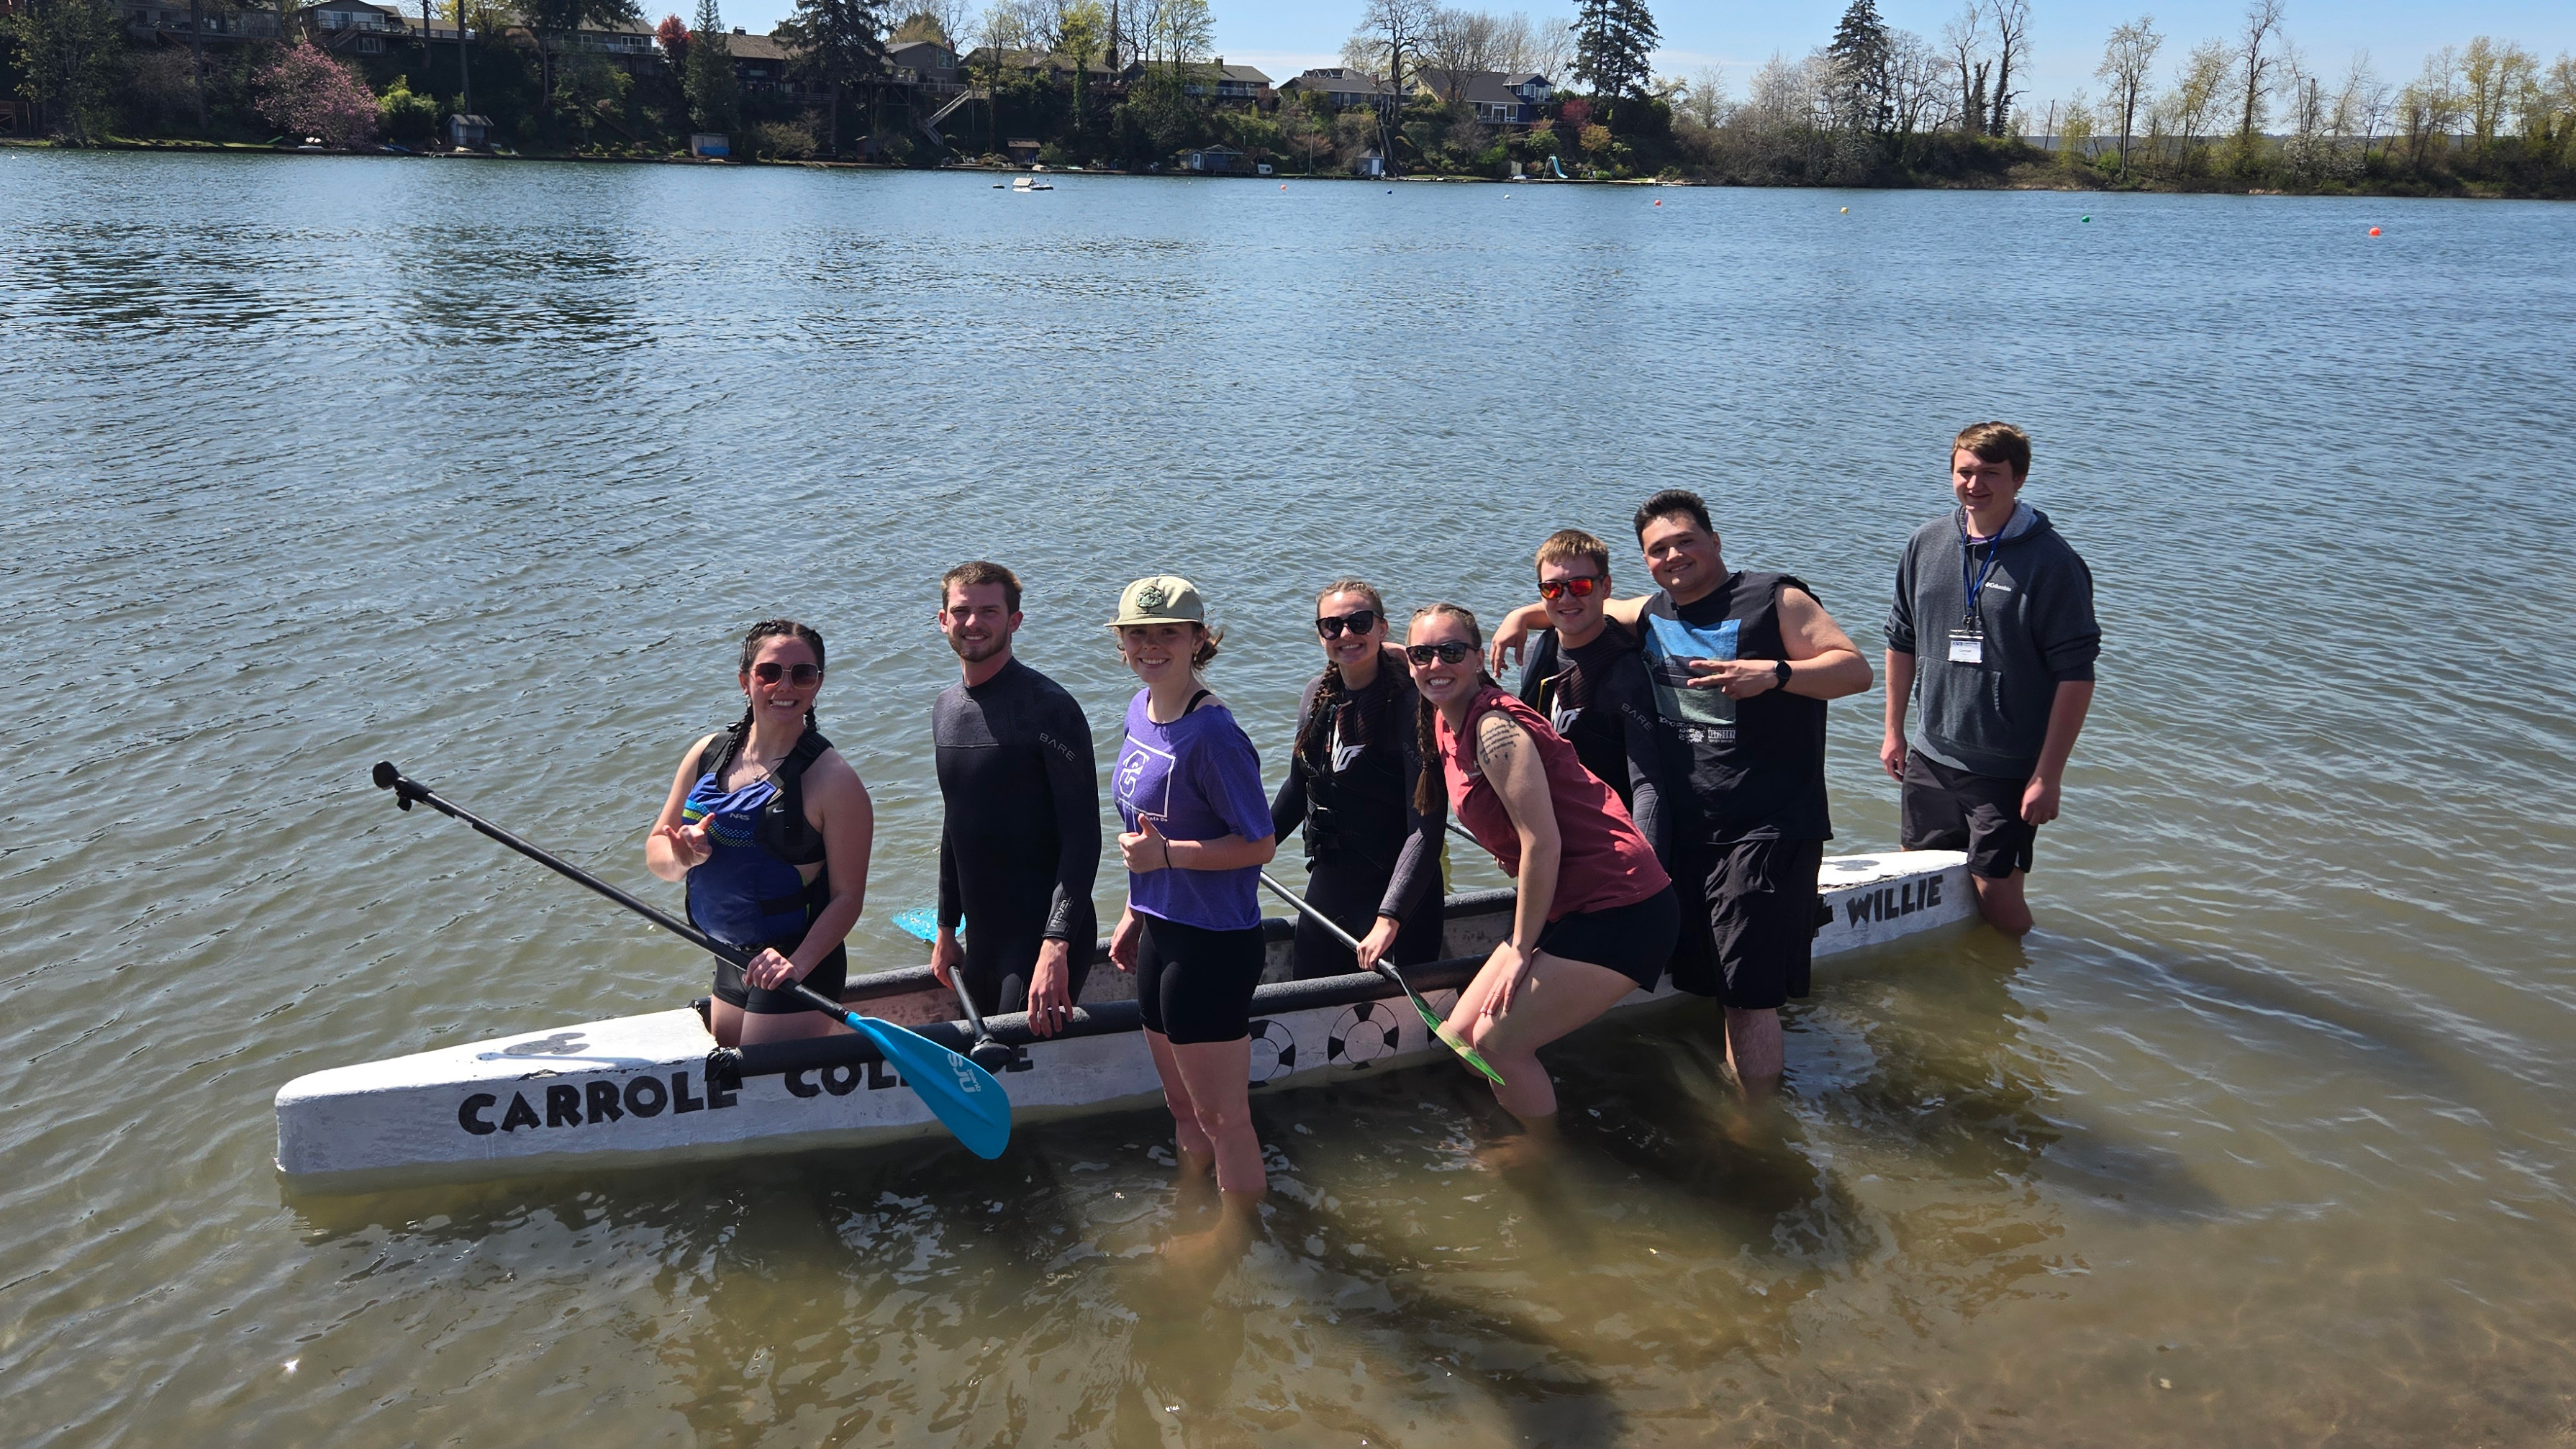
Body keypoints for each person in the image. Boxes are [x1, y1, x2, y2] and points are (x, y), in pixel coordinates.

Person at [1489, 490, 1872, 1098]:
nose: (1674, 556)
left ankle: (1758, 1131)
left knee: (1748, 997)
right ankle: (1732, 1098)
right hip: (1689, 825)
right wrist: (1518, 618)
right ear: (1645, 562)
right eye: (1658, 549)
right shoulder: (1653, 612)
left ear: (1715, 542)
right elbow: (1576, 606)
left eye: (1686, 541)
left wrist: (1775, 674)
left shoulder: (1774, 598)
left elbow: (1854, 670)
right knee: (1710, 979)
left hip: (1765, 825)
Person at [1407, 603, 1679, 1143]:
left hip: (1624, 907)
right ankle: (1517, 1118)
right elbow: (1391, 655)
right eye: (1422, 654)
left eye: (1451, 651)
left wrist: (1518, 948)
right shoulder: (1441, 712)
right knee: (1460, 1038)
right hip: (1571, 903)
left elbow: (1541, 843)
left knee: (1497, 1043)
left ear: (1479, 657)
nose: (1435, 664)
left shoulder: (1493, 729)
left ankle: (1542, 1155)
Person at [1103, 576, 1279, 1253]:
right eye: (1138, 633)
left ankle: (1234, 1234)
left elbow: (1259, 842)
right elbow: (1140, 830)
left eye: (1168, 632)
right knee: (1181, 1106)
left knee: (1223, 1114)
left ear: (1199, 639)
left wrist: (1168, 860)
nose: (1152, 646)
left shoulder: (1214, 736)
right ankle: (1192, 1197)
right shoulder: (1140, 710)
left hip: (1214, 942)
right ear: (1121, 643)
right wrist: (1134, 909)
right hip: (1162, 929)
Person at [1881, 422, 2100, 936]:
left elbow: (2076, 676)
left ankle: (2015, 985)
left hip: (2006, 766)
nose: (1975, 484)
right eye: (1965, 472)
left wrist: (2048, 776)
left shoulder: (2053, 563)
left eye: (1991, 474)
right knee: (1918, 874)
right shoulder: (1926, 543)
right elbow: (1901, 639)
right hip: (1931, 753)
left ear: (2019, 479)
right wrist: (1894, 730)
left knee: (1995, 890)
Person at [647, 620, 875, 1048]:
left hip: (796, 963)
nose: (784, 686)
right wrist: (680, 858)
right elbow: (657, 848)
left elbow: (848, 898)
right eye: (769, 673)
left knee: (755, 1086)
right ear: (744, 680)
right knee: (729, 1077)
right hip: (730, 955)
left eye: (802, 674)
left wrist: (797, 964)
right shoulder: (708, 753)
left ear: (818, 684)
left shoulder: (835, 782)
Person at [928, 561, 1100, 1036]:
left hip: (1041, 936)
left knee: (1018, 1063)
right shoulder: (946, 708)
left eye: (989, 611)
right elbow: (955, 825)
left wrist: (1056, 945)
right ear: (942, 619)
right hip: (982, 937)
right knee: (984, 1065)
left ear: (1014, 621)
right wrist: (946, 929)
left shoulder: (1050, 708)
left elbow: (1083, 838)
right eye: (961, 611)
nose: (973, 623)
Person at [1269, 578, 1445, 979]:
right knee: (1307, 998)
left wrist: (1390, 917)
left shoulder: (1413, 707)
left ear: (1382, 629)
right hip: (1331, 884)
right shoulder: (1318, 695)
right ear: (1321, 636)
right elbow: (1299, 788)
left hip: (1402, 896)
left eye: (1360, 622)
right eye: (1333, 626)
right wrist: (1249, 851)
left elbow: (1425, 828)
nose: (1346, 634)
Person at [1513, 529, 1676, 868]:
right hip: (1550, 844)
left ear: (1606, 588)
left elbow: (1647, 786)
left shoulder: (1626, 673)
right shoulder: (1537, 651)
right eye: (1552, 588)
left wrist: (1645, 874)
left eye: (1581, 586)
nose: (1566, 599)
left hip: (1610, 851)